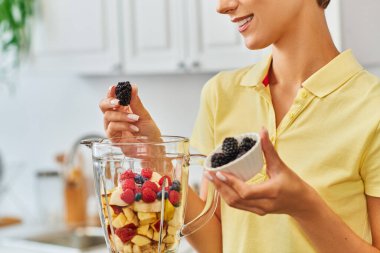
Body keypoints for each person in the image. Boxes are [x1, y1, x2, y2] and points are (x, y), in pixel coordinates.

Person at [99, 0, 380, 252]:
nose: (222, 6)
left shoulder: (372, 108)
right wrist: (156, 157)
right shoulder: (222, 94)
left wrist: (305, 207)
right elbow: (216, 243)